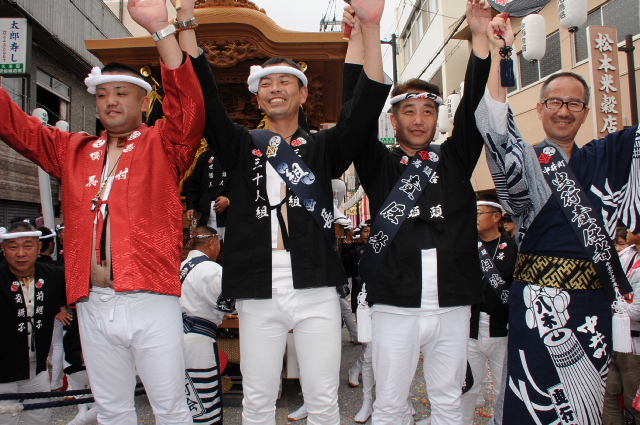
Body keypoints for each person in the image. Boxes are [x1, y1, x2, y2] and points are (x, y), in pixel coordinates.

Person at [0, 0, 205, 422]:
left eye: (121, 93)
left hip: (151, 300)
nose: (110, 101)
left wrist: (161, 29)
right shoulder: (73, 149)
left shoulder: (163, 144)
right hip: (92, 301)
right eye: (103, 94)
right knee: (111, 410)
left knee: (170, 408)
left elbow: (189, 108)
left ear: (145, 103)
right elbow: (17, 127)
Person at [188, 0, 389, 422]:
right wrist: (185, 25)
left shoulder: (323, 147)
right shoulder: (241, 144)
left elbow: (364, 109)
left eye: (285, 81)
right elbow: (204, 99)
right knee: (258, 400)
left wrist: (370, 30)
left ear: (303, 93)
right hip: (258, 283)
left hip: (315, 284)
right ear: (257, 96)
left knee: (323, 400)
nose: (275, 88)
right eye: (266, 83)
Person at [476, 13, 640, 425]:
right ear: (540, 108)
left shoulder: (608, 157)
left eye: (574, 104)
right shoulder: (528, 160)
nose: (564, 111)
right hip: (537, 304)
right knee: (532, 401)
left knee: (586, 406)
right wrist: (499, 53)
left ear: (585, 112)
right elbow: (496, 131)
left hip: (591, 304)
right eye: (555, 102)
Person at [341, 1, 492, 423]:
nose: (420, 119)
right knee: (390, 404)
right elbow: (353, 115)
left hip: (453, 303)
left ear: (438, 117)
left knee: (448, 400)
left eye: (428, 111)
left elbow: (474, 108)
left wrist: (480, 38)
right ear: (393, 119)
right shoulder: (378, 164)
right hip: (394, 304)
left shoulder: (455, 158)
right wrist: (362, 36)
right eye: (409, 110)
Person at [0, 222, 69, 425]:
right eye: (13, 247)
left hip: (37, 369)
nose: (21, 253)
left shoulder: (54, 276)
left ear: (39, 247)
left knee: (40, 418)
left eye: (28, 246)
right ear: (3, 249)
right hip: (2, 370)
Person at [459, 195, 517, 422]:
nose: (474, 218)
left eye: (479, 213)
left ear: (496, 217)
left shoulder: (513, 248)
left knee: (504, 388)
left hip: (503, 330)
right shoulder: (465, 246)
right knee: (468, 386)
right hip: (470, 328)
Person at [180, 225, 226, 424]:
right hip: (198, 340)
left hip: (177, 336)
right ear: (211, 243)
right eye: (219, 245)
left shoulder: (182, 265)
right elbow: (228, 302)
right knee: (202, 400)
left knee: (184, 396)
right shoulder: (210, 269)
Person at [603, 230, 640, 424]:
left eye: (634, 226)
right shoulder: (627, 256)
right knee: (607, 397)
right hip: (616, 339)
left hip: (635, 345)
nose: (629, 230)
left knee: (634, 404)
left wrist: (613, 302)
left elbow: (636, 312)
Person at [185, 150, 231, 239]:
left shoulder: (237, 155)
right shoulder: (205, 156)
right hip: (205, 210)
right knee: (206, 242)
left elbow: (244, 184)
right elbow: (194, 184)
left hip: (228, 214)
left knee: (227, 243)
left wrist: (229, 199)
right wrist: (191, 206)